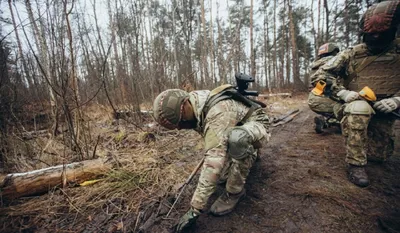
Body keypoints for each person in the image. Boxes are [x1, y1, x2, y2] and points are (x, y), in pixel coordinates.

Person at [152, 82, 270, 232]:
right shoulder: (195, 106)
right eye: (177, 126)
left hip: (257, 123)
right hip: (238, 124)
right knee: (220, 174)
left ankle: (235, 191)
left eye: (180, 121)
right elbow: (215, 143)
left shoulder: (217, 112)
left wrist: (195, 209)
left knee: (237, 139)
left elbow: (214, 160)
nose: (181, 127)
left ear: (185, 105)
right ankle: (245, 154)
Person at [311, 0, 400, 187]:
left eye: (380, 34)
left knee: (379, 157)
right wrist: (342, 93)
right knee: (358, 110)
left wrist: (398, 100)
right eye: (371, 35)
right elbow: (320, 76)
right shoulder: (352, 53)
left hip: (389, 107)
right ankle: (355, 164)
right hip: (357, 102)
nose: (376, 37)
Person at [308, 43, 340, 133]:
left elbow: (311, 86)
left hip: (314, 101)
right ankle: (335, 121)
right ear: (335, 52)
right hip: (336, 99)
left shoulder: (315, 66)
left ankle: (327, 120)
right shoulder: (338, 61)